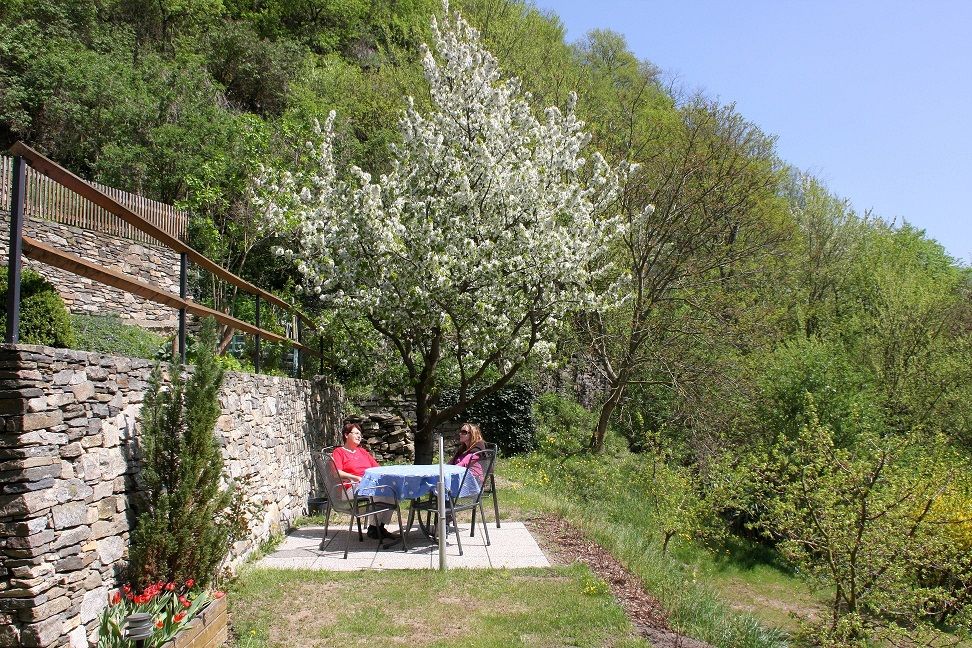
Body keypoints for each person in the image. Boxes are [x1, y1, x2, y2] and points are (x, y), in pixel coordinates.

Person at [331, 423, 397, 540]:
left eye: (360, 434)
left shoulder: (362, 451)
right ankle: (373, 528)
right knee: (378, 492)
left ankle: (380, 527)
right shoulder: (339, 452)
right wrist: (355, 478)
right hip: (350, 488)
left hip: (367, 484)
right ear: (346, 435)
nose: (359, 436)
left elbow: (377, 468)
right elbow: (337, 473)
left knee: (391, 491)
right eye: (356, 433)